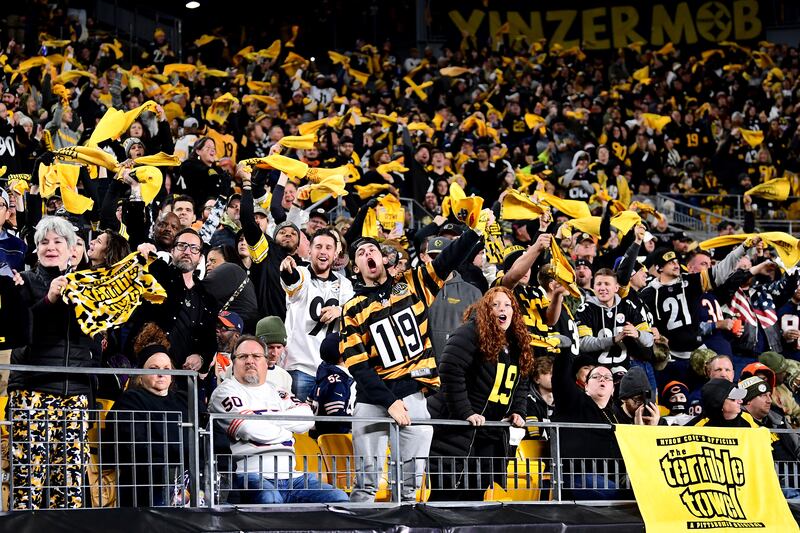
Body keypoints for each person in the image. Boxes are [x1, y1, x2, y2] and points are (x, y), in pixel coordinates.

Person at [340, 224, 483, 503]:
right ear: (356, 267)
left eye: (373, 249)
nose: (368, 253)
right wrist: (389, 401)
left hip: (414, 394)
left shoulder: (413, 282)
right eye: (360, 252)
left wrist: (472, 235)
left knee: (408, 487)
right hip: (372, 399)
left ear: (384, 259)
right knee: (366, 485)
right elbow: (358, 366)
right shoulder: (351, 309)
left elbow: (446, 260)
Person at [8, 216, 96, 509]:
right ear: (35, 250)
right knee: (27, 479)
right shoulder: (23, 281)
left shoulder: (88, 284)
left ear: (73, 249)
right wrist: (49, 299)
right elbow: (22, 333)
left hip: (76, 394)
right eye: (44, 241)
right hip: (33, 391)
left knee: (69, 482)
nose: (51, 247)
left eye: (58, 241)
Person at [209, 335, 349, 504]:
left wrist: (260, 418)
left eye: (256, 356)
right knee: (270, 500)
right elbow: (248, 428)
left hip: (294, 477)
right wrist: (285, 430)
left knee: (339, 499)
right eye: (243, 356)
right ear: (234, 362)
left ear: (265, 362)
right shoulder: (225, 391)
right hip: (251, 475)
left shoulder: (278, 391)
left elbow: (307, 418)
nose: (250, 361)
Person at [427, 287, 531, 501]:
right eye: (495, 305)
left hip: (488, 436)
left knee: (476, 497)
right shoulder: (469, 332)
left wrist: (518, 410)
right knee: (447, 497)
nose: (502, 309)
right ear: (485, 310)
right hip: (456, 433)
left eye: (507, 305)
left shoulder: (516, 342)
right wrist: (465, 412)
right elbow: (449, 369)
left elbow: (522, 380)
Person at [101, 324, 191, 507]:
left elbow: (204, 438)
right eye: (154, 368)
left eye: (167, 368)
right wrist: (178, 459)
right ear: (140, 374)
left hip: (186, 481)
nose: (161, 373)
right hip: (147, 484)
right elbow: (136, 446)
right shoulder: (129, 401)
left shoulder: (183, 400)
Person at [280, 229, 354, 401]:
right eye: (318, 246)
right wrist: (287, 269)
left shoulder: (345, 284)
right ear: (310, 251)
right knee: (300, 425)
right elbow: (292, 279)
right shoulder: (302, 273)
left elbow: (354, 314)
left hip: (332, 370)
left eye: (328, 247)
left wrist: (340, 311)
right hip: (300, 368)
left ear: (335, 253)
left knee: (328, 426)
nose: (323, 251)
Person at [135, 228, 218, 372]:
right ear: (172, 251)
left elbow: (209, 341)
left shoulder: (208, 298)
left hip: (186, 380)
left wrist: (201, 357)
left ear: (200, 258)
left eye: (194, 248)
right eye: (182, 246)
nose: (187, 251)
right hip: (150, 371)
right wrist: (142, 246)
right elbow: (136, 233)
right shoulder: (159, 274)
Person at [739, 376, 800, 498]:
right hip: (771, 487)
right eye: (762, 396)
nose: (769, 400)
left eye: (769, 395)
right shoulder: (739, 425)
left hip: (794, 478)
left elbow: (797, 446)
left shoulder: (777, 419)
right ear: (748, 400)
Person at [309, 332, 355, 438]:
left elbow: (308, 405)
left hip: (320, 438)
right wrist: (358, 423)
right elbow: (335, 416)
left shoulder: (322, 377)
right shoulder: (337, 381)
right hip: (336, 441)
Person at [254, 316, 293, 393]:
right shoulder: (242, 369)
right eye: (270, 347)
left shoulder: (285, 377)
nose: (275, 353)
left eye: (279, 347)